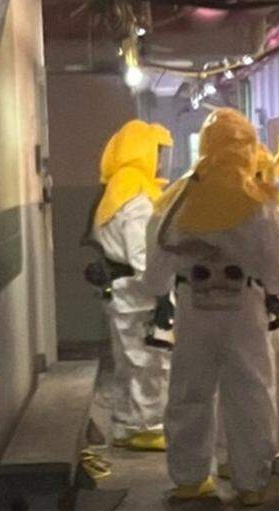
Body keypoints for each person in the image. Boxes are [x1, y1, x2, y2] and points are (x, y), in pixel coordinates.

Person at [145, 108, 279, 506]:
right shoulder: (258, 202)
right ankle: (250, 483)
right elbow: (277, 268)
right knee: (250, 396)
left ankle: (190, 480)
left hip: (193, 309)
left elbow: (155, 266)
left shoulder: (175, 199)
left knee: (189, 392)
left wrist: (160, 291)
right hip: (244, 310)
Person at [93, 119, 174, 451]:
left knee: (128, 360)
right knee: (148, 362)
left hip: (123, 292)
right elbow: (143, 254)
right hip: (139, 295)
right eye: (159, 151)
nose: (163, 159)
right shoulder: (137, 195)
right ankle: (147, 425)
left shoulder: (120, 186)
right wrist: (164, 294)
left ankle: (127, 423)